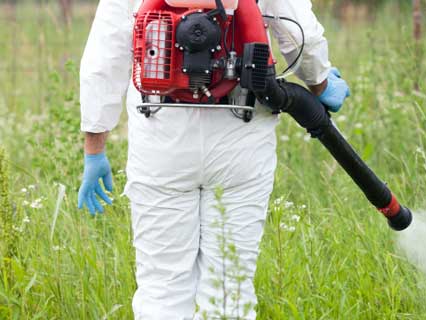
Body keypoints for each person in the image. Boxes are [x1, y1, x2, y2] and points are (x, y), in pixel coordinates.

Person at [77, 0, 350, 318]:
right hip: (240, 132)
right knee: (229, 290)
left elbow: (103, 57)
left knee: (161, 288)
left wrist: (94, 148)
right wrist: (321, 82)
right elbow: (297, 30)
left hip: (162, 136)